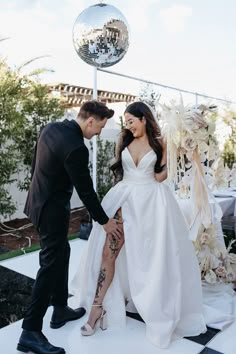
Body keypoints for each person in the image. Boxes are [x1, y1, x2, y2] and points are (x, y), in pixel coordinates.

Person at [71, 101, 207, 348]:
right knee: (108, 253)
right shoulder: (123, 141)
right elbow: (121, 173)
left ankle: (153, 303)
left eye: (131, 121)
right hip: (124, 199)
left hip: (152, 204)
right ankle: (96, 308)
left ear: (143, 118)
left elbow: (158, 177)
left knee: (149, 258)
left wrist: (173, 152)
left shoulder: (160, 143)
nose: (128, 126)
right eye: (125, 122)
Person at [17, 100, 123, 354]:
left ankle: (60, 309)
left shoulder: (50, 128)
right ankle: (30, 331)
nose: (98, 133)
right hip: (52, 209)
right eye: (99, 127)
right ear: (90, 121)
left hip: (38, 201)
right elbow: (86, 191)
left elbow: (35, 165)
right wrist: (105, 222)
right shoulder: (77, 147)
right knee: (50, 264)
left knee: (62, 252)